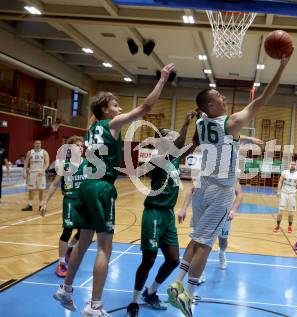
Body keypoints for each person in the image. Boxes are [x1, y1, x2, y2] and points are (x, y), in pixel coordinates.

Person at [167, 54, 290, 317]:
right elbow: (263, 98)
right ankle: (189, 293)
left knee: (195, 237)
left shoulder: (202, 123)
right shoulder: (231, 121)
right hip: (220, 191)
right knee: (205, 243)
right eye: (219, 97)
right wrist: (282, 67)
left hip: (201, 186)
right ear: (211, 105)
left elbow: (214, 139)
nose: (224, 99)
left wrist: (244, 138)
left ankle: (177, 282)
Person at [53, 63, 175, 317]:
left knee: (85, 241)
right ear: (106, 111)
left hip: (83, 186)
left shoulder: (90, 130)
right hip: (100, 187)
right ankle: (94, 305)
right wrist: (162, 79)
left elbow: (93, 116)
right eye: (116, 104)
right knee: (104, 248)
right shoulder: (111, 124)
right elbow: (146, 107)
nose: (120, 108)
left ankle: (65, 289)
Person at [126, 111, 197, 317]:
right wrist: (185, 121)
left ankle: (151, 291)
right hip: (154, 213)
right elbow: (180, 143)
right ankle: (134, 300)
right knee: (148, 259)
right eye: (170, 136)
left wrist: (201, 122)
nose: (174, 138)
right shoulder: (157, 159)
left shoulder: (174, 160)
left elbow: (192, 142)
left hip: (167, 215)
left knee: (173, 260)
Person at [40, 136, 86, 277]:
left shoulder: (88, 164)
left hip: (84, 202)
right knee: (67, 231)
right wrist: (44, 202)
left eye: (82, 145)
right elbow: (54, 184)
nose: (80, 147)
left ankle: (70, 248)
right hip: (70, 200)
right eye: (77, 145)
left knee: (83, 232)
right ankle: (61, 263)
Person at [178, 181, 242, 270]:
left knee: (223, 240)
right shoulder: (205, 173)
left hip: (223, 213)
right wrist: (184, 208)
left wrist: (233, 210)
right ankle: (198, 270)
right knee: (199, 241)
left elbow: (239, 193)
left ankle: (221, 253)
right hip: (205, 213)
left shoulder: (230, 175)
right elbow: (191, 189)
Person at [273, 160, 297, 233]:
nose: (292, 165)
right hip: (283, 193)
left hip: (292, 194)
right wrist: (278, 191)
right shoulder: (284, 172)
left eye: (294, 164)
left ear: (295, 166)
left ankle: (289, 227)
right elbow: (280, 182)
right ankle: (277, 226)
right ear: (289, 165)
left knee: (291, 213)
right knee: (280, 212)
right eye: (291, 164)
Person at [21, 140, 49, 211]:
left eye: (39, 143)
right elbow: (26, 162)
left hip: (41, 173)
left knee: (41, 190)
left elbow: (47, 163)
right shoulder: (30, 152)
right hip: (32, 173)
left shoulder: (44, 152)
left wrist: (43, 170)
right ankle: (30, 205)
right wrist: (24, 171)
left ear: (41, 144)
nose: (38, 144)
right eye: (36, 143)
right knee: (31, 189)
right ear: (34, 144)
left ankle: (40, 205)